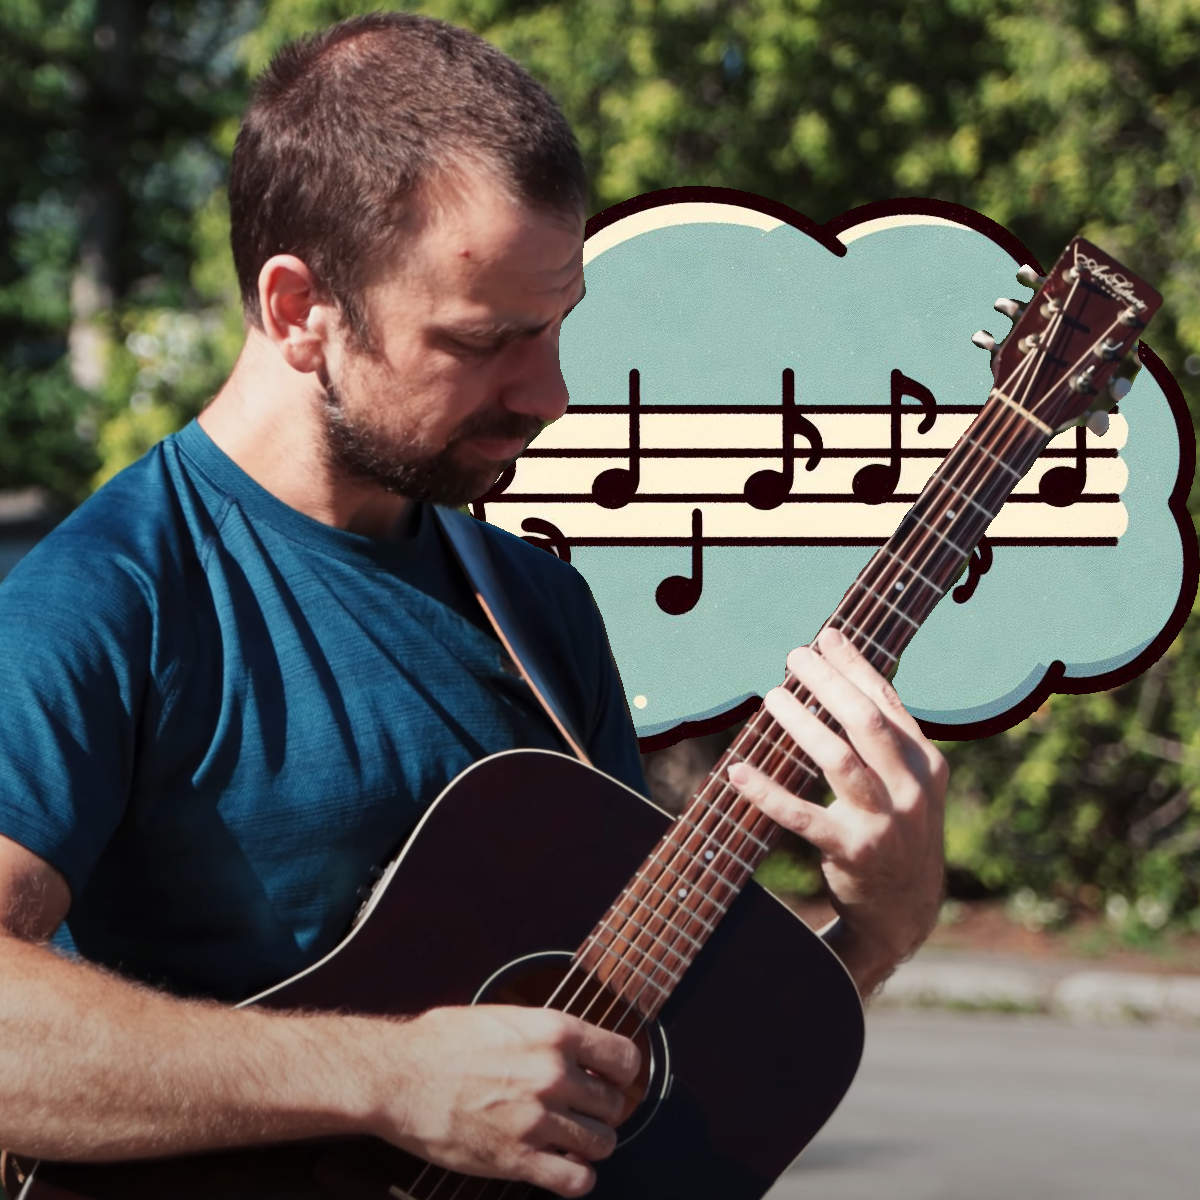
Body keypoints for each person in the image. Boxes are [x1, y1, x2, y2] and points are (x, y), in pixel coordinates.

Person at [0, 11, 947, 1198]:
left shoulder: (538, 609)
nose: (548, 392)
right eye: (485, 340)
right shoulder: (106, 603)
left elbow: (628, 1066)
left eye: (556, 325)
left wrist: (878, 934)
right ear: (301, 312)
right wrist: (386, 1078)